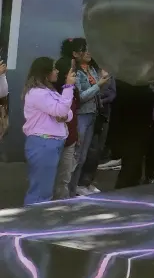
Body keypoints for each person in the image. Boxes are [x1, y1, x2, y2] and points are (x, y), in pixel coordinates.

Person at [22, 57, 75, 205]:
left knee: (44, 189)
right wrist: (69, 87)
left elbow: (67, 114)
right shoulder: (37, 93)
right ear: (45, 72)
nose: (57, 71)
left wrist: (61, 114)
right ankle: (32, 223)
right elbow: (62, 109)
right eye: (54, 68)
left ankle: (38, 221)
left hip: (50, 143)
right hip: (43, 144)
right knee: (40, 192)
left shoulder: (48, 90)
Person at [62, 37, 110, 196]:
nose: (89, 52)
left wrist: (103, 82)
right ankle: (67, 190)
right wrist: (99, 85)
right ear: (75, 53)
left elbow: (99, 92)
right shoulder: (74, 71)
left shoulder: (91, 69)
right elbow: (80, 97)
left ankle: (75, 188)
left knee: (83, 155)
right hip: (81, 116)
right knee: (76, 154)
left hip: (93, 114)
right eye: (84, 49)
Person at [51, 56, 83, 199]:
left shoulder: (73, 90)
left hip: (70, 139)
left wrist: (76, 135)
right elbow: (61, 113)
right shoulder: (52, 92)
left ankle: (62, 206)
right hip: (55, 140)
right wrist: (68, 87)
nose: (75, 72)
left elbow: (74, 115)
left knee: (65, 177)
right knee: (52, 177)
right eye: (72, 69)